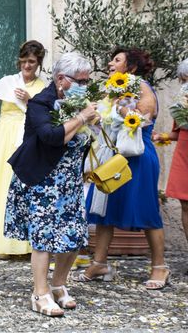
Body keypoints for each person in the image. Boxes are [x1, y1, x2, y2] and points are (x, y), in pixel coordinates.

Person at [4, 52, 99, 317]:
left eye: (87, 79)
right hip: (42, 181)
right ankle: (40, 293)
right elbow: (51, 137)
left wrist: (95, 121)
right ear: (61, 79)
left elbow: (83, 140)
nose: (85, 84)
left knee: (73, 236)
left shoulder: (77, 101)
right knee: (44, 239)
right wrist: (81, 118)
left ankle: (59, 284)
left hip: (69, 182)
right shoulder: (40, 103)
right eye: (81, 80)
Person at [82, 48, 168, 289]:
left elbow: (145, 117)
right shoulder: (113, 88)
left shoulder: (141, 87)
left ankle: (160, 267)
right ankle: (99, 263)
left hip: (138, 158)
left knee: (147, 209)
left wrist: (121, 109)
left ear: (130, 68)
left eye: (116, 60)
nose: (110, 63)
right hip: (114, 155)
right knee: (105, 210)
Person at [0, 40, 46, 257]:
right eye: (23, 61)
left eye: (31, 61)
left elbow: (48, 116)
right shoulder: (7, 82)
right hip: (4, 137)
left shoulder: (43, 87)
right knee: (0, 186)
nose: (27, 66)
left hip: (27, 138)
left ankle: (24, 245)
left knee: (23, 188)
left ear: (38, 62)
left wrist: (31, 100)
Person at [153, 59, 188, 267]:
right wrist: (162, 136)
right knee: (185, 204)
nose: (182, 83)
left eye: (185, 79)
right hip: (184, 152)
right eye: (182, 79)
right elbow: (179, 131)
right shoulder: (182, 101)